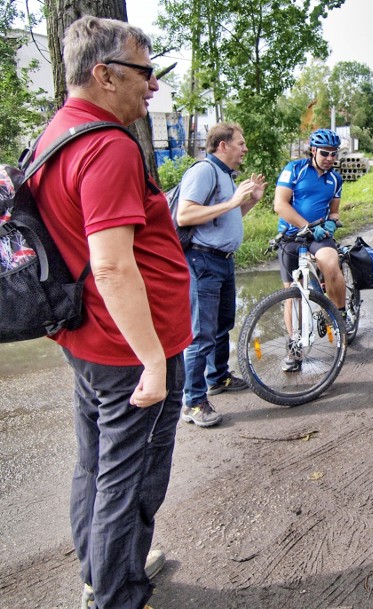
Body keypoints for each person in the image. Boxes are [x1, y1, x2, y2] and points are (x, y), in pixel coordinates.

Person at [28, 16, 191, 609]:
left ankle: (100, 568)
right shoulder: (106, 147)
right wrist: (153, 360)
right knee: (129, 474)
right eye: (144, 73)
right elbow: (113, 266)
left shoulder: (59, 134)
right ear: (103, 74)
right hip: (128, 349)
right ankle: (116, 592)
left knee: (97, 463)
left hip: (89, 338)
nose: (152, 87)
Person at [177, 123, 267, 427]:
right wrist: (232, 201)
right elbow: (185, 214)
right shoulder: (204, 172)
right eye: (240, 144)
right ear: (222, 146)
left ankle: (217, 378)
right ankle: (194, 402)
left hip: (224, 261)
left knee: (222, 325)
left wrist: (250, 201)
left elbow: (225, 216)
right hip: (203, 261)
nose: (245, 149)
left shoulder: (227, 176)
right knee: (201, 334)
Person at [273, 128, 347, 368]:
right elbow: (280, 205)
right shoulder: (294, 169)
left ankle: (339, 313)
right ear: (313, 150)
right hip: (292, 235)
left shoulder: (335, 178)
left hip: (318, 234)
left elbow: (334, 210)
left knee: (330, 262)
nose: (330, 158)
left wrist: (332, 222)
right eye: (325, 153)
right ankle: (294, 348)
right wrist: (305, 226)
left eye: (334, 154)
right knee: (292, 293)